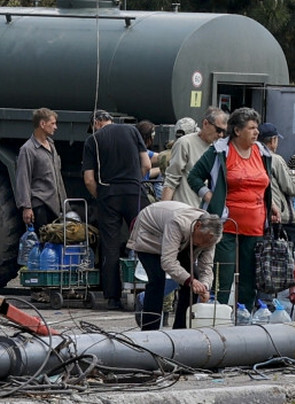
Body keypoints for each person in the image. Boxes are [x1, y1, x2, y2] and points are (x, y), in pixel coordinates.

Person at [187, 107, 275, 309]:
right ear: (237, 131)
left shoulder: (262, 153)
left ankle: (244, 315)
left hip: (256, 225)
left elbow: (266, 184)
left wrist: (273, 206)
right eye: (251, 128)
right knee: (224, 274)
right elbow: (194, 177)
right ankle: (218, 312)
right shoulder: (219, 151)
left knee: (249, 275)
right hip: (225, 225)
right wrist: (208, 195)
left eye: (256, 128)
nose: (256, 132)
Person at [83, 109, 151, 310]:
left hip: (108, 195)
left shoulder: (92, 141)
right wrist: (133, 181)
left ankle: (112, 298)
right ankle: (148, 290)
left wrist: (102, 195)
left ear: (96, 123)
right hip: (133, 193)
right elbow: (146, 164)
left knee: (110, 246)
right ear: (110, 120)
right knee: (144, 240)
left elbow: (88, 179)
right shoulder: (132, 131)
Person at [127, 201, 223, 330]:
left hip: (180, 241)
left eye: (209, 243)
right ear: (197, 226)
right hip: (149, 235)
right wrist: (190, 280)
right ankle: (149, 330)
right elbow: (168, 261)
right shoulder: (178, 223)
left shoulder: (210, 236)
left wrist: (204, 286)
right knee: (157, 280)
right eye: (204, 241)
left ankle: (181, 329)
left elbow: (206, 266)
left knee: (194, 282)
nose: (204, 245)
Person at [260, 123, 295, 253]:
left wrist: (293, 175)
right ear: (273, 140)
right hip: (282, 215)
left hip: (263, 214)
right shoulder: (275, 159)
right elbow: (290, 188)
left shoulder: (253, 157)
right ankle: (294, 272)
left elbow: (274, 181)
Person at [14, 108, 67, 231]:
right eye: (52, 123)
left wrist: (65, 205)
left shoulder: (51, 145)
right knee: (42, 244)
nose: (56, 127)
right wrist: (26, 207)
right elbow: (23, 179)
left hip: (55, 207)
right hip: (40, 206)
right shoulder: (28, 149)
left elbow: (58, 178)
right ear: (42, 124)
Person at [163, 107, 228, 206]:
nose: (221, 135)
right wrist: (163, 210)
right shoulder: (185, 143)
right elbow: (171, 179)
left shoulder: (220, 149)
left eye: (224, 132)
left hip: (209, 214)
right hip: (186, 211)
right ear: (205, 123)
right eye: (218, 130)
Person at [136, 120, 163, 198]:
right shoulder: (143, 152)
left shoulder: (132, 149)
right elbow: (162, 158)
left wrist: (160, 169)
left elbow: (147, 173)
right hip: (142, 191)